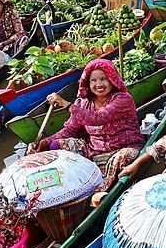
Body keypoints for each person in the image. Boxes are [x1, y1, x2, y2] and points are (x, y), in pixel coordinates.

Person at [28, 59, 144, 191]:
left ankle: (100, 188)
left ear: (112, 79)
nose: (99, 84)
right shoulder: (83, 103)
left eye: (103, 79)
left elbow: (98, 118)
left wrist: (66, 104)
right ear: (87, 83)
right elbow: (70, 130)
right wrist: (45, 142)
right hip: (93, 150)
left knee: (127, 156)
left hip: (122, 148)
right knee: (56, 145)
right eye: (93, 80)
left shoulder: (123, 99)